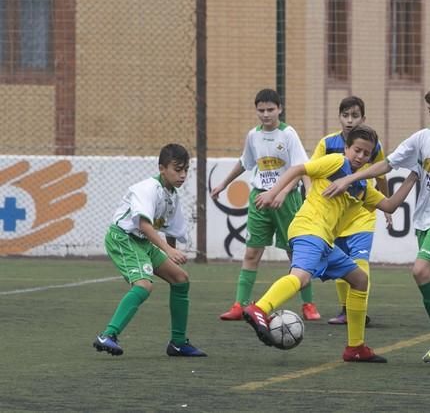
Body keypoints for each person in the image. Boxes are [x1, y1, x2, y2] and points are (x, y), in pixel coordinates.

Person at [322, 84, 430, 366]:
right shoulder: (421, 139)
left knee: (419, 270)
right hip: (424, 221)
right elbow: (386, 164)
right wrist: (349, 179)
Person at [245, 124, 418, 363]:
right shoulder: (336, 162)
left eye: (367, 154)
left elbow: (389, 205)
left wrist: (413, 176)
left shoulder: (361, 186)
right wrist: (274, 192)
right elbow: (298, 169)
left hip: (326, 240)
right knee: (302, 276)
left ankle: (355, 347)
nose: (360, 156)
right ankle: (260, 308)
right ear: (347, 148)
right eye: (357, 150)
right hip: (309, 229)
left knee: (359, 279)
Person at [212, 88, 321, 321]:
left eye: (270, 109)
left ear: (279, 109)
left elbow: (301, 169)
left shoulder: (289, 134)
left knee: (296, 254)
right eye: (261, 110)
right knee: (252, 252)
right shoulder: (253, 136)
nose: (265, 114)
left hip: (286, 200)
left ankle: (308, 304)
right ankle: (239, 305)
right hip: (260, 199)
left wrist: (283, 192)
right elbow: (245, 163)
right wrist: (223, 184)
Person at [93, 143, 206, 357]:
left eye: (185, 170)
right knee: (144, 285)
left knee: (181, 279)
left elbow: (169, 229)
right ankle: (108, 335)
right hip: (123, 238)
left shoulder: (172, 196)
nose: (182, 175)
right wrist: (168, 251)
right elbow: (144, 224)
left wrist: (170, 253)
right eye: (177, 169)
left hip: (142, 242)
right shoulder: (148, 189)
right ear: (162, 168)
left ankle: (178, 343)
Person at [311, 96, 391, 325]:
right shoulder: (327, 144)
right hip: (336, 215)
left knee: (359, 262)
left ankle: (360, 311)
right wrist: (310, 196)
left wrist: (386, 207)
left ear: (363, 118)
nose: (349, 120)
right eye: (345, 115)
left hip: (362, 213)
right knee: (340, 264)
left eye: (354, 116)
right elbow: (310, 171)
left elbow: (381, 175)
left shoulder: (374, 146)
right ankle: (346, 311)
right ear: (339, 117)